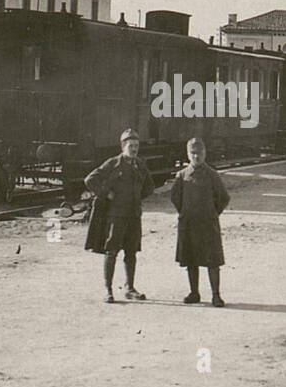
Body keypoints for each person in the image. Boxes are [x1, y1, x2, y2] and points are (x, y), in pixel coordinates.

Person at [84, 128, 156, 303]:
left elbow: (150, 187)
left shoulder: (140, 164)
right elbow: (90, 180)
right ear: (123, 146)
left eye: (137, 146)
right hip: (117, 215)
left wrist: (138, 197)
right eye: (131, 146)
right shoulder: (113, 163)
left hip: (134, 215)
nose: (134, 149)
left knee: (131, 252)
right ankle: (108, 290)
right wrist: (106, 194)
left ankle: (130, 288)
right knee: (112, 251)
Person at [170, 138, 230, 307]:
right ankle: (194, 293)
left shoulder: (212, 175)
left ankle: (216, 295)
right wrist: (186, 212)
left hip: (208, 224)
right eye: (193, 153)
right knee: (191, 259)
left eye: (200, 153)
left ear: (205, 154)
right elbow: (175, 197)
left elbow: (223, 198)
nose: (196, 156)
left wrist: (211, 213)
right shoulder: (182, 176)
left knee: (213, 261)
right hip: (189, 224)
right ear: (188, 155)